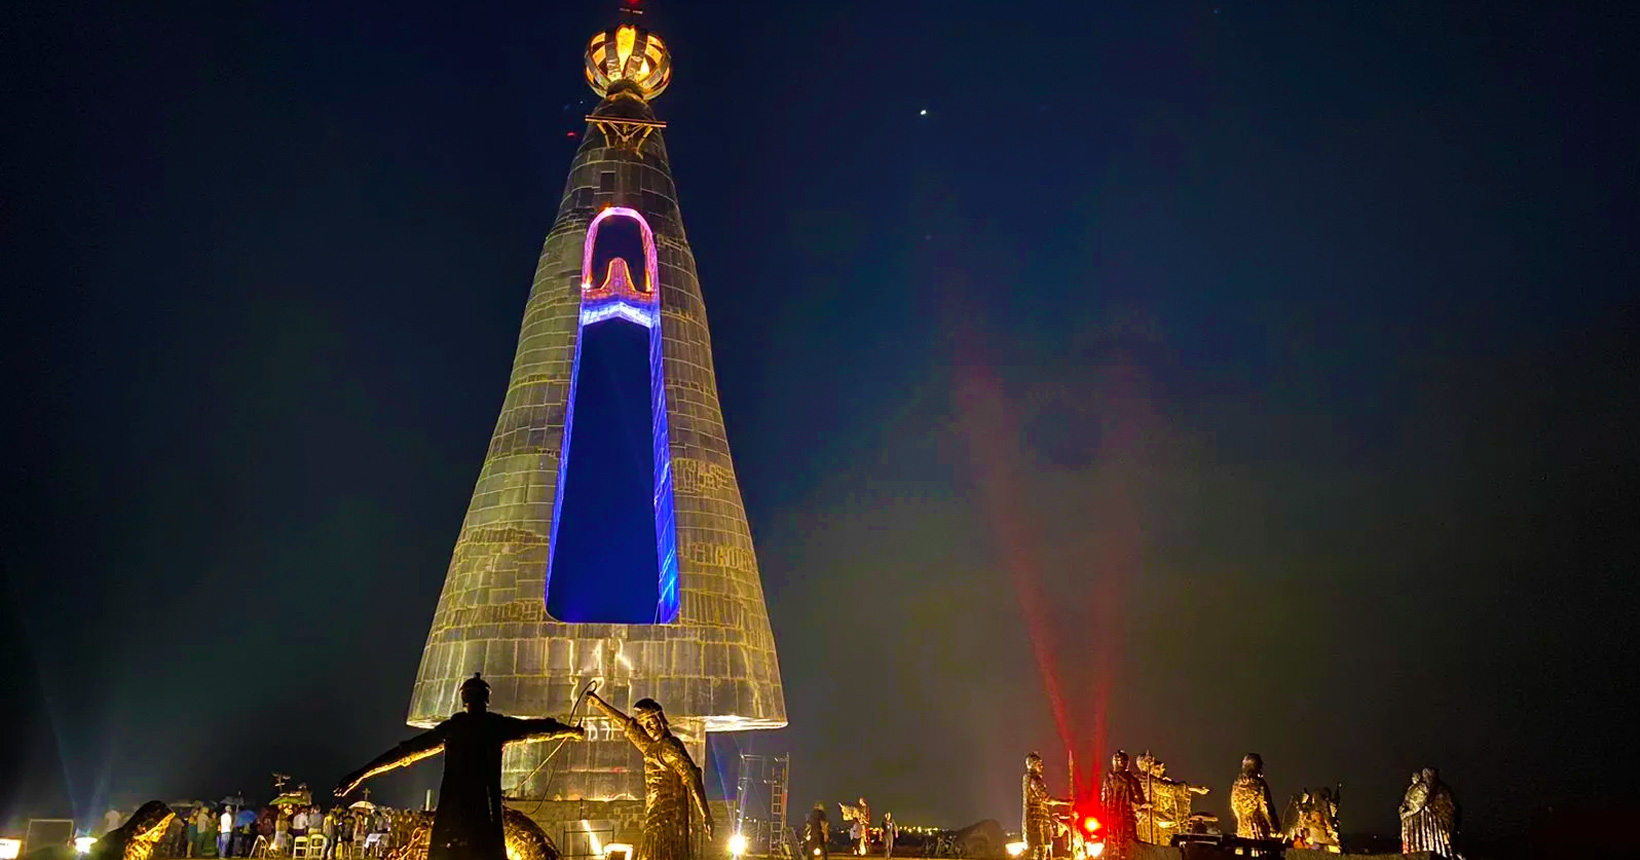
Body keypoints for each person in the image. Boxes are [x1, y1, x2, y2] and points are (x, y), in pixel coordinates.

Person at [336, 672, 583, 860]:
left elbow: (405, 751)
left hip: (454, 810)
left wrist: (362, 773)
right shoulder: (494, 726)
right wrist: (568, 731)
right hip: (483, 809)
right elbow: (538, 728)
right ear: (486, 697)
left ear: (464, 698)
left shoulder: (454, 728)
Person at [585, 690, 713, 860]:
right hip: (653, 812)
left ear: (660, 719)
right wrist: (598, 704)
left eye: (651, 721)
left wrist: (706, 814)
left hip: (669, 816)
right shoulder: (651, 747)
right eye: (646, 725)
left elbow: (692, 777)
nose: (650, 728)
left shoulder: (670, 746)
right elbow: (626, 725)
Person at [1398, 768, 1457, 856]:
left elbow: (1447, 808)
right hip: (1416, 822)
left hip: (1433, 823)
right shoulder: (1413, 789)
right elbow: (1408, 803)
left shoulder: (1439, 790)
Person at [1021, 752, 1069, 860]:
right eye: (1039, 764)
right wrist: (1066, 802)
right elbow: (1047, 799)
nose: (1041, 766)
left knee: (1041, 849)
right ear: (1033, 764)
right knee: (1040, 849)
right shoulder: (1034, 780)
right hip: (1037, 822)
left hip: (1038, 820)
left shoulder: (1029, 779)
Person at [1100, 751, 1146, 860]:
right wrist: (1144, 804)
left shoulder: (1107, 778)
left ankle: (1115, 853)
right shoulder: (1129, 778)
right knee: (1126, 837)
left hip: (1110, 815)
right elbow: (1138, 796)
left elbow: (1102, 798)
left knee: (1113, 836)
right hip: (1124, 814)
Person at [1229, 754, 1280, 841]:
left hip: (1242, 829)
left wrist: (1242, 819)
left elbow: (1234, 806)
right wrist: (1274, 827)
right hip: (1258, 829)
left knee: (1242, 851)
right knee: (1259, 852)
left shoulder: (1236, 785)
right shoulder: (1259, 784)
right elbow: (1266, 807)